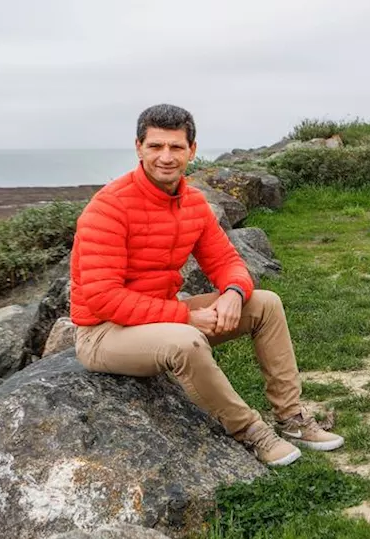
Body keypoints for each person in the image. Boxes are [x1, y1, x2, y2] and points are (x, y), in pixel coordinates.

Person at [69, 103, 342, 467]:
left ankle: (291, 419)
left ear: (191, 151)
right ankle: (251, 432)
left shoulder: (193, 203)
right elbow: (102, 299)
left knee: (265, 303)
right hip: (103, 333)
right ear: (139, 148)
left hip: (158, 318)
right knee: (186, 340)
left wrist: (233, 292)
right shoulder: (108, 208)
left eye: (176, 147)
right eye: (155, 146)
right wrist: (186, 316)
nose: (166, 157)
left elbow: (228, 262)